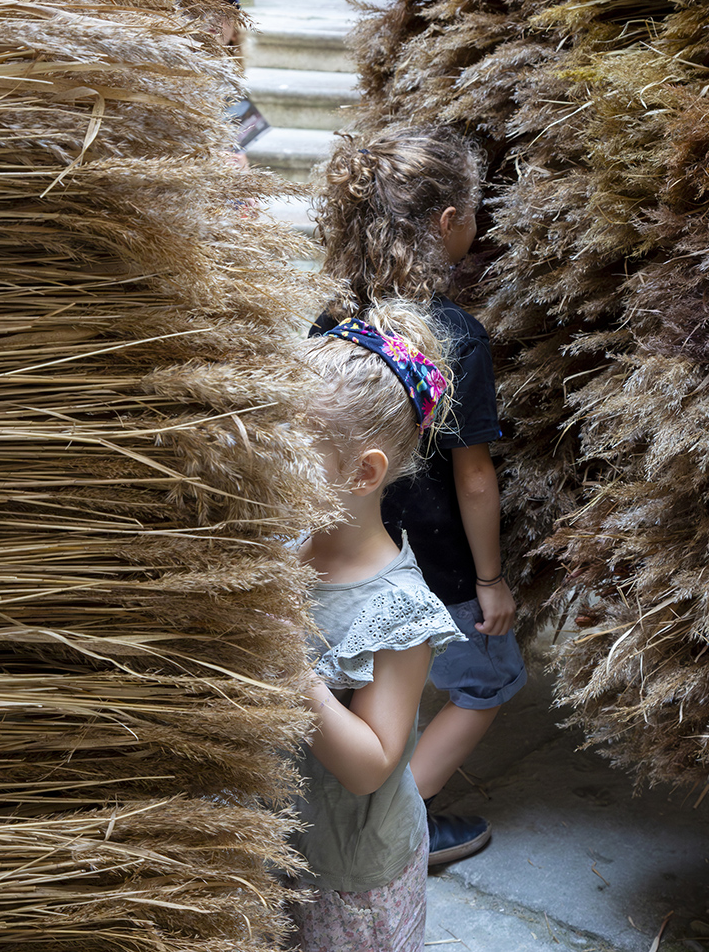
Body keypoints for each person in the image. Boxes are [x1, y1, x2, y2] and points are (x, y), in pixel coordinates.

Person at [310, 125, 527, 867]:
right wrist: (491, 580)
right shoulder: (454, 335)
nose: (479, 223)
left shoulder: (331, 317)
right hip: (434, 550)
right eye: (473, 210)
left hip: (356, 537)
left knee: (367, 675)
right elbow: (472, 476)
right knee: (490, 677)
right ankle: (410, 814)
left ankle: (358, 781)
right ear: (446, 223)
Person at [289, 305, 465, 951]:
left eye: (294, 448)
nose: (273, 457)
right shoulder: (293, 549)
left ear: (363, 472)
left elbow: (370, 763)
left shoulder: (398, 610)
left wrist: (289, 669)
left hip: (353, 879)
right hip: (292, 843)